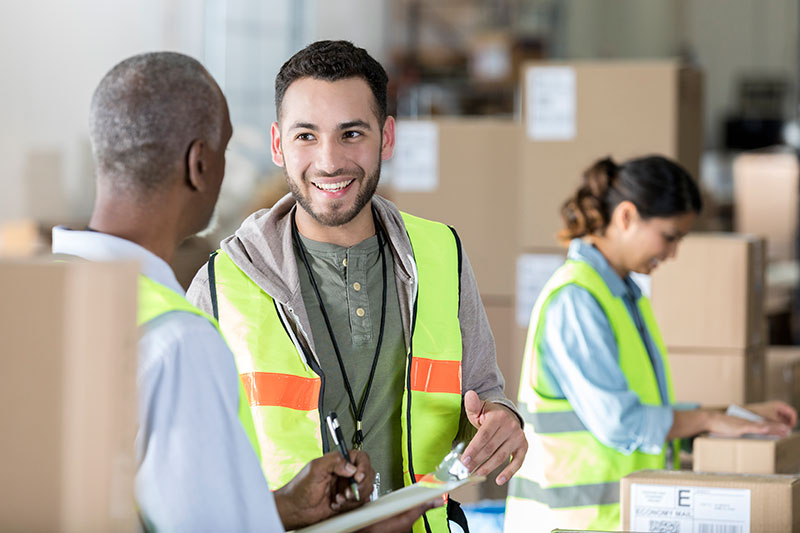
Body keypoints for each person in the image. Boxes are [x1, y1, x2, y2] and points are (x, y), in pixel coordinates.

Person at [52, 51, 437, 532]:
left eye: (351, 134)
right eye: (226, 150)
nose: (328, 160)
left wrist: (283, 508)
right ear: (200, 165)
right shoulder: (178, 338)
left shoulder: (35, 301)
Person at [187, 40, 527, 532]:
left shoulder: (441, 255)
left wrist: (501, 417)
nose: (329, 161)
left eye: (351, 134)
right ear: (278, 144)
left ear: (386, 137)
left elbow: (482, 393)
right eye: (306, 135)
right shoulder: (222, 284)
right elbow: (194, 473)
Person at [503, 155, 798, 532]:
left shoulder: (625, 296)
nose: (673, 254)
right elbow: (622, 422)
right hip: (569, 523)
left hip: (611, 520)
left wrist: (735, 415)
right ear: (626, 216)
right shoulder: (577, 299)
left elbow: (647, 412)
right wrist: (710, 419)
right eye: (670, 236)